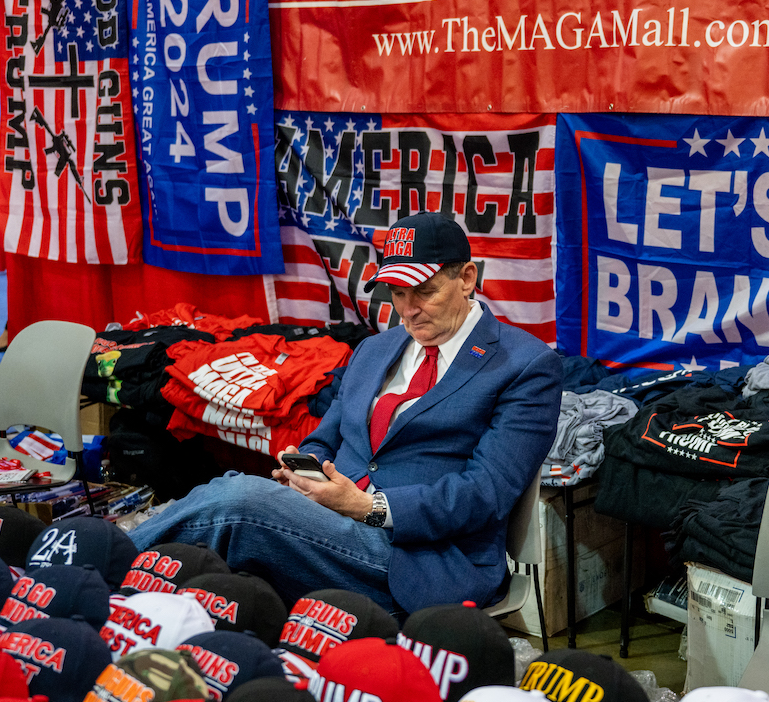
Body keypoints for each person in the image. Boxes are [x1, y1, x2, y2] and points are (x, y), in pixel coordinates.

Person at [129, 212, 563, 617]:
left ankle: (100, 562)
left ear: (467, 278)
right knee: (224, 530)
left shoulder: (524, 366)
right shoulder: (375, 350)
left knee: (238, 505)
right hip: (338, 521)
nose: (408, 309)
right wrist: (307, 469)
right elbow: (326, 437)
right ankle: (121, 596)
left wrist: (369, 507)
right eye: (397, 293)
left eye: (425, 292)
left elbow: (485, 493)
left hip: (423, 558)